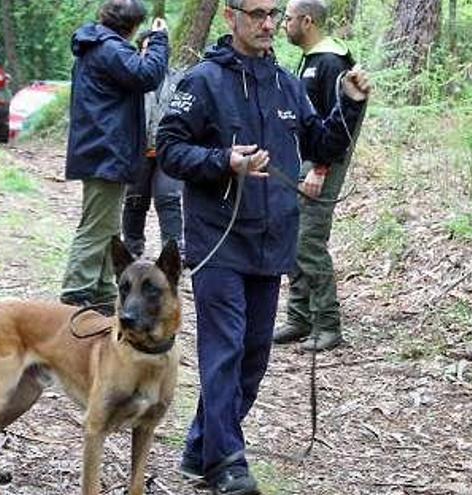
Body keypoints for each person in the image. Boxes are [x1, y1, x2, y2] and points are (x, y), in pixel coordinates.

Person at [157, 0, 369, 492]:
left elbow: (323, 145)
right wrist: (223, 160)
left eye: (273, 13)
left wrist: (350, 104)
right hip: (218, 240)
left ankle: (199, 449)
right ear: (231, 17)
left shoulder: (287, 83)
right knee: (225, 350)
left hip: (273, 242)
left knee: (253, 357)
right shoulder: (203, 80)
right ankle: (227, 462)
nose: (268, 23)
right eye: (255, 13)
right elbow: (168, 149)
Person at [60, 0, 169, 315]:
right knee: (97, 225)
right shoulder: (108, 49)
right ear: (132, 25)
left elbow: (132, 72)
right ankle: (76, 292)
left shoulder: (100, 47)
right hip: (104, 150)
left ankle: (102, 290)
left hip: (102, 148)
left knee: (107, 226)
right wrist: (159, 41)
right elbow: (148, 75)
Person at [273, 0, 362, 352]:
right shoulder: (311, 59)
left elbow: (339, 121)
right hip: (302, 162)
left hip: (320, 166)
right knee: (292, 237)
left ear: (307, 21)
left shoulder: (330, 61)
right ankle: (299, 317)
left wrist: (321, 168)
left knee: (308, 242)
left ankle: (328, 324)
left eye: (289, 19)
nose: (283, 25)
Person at [121, 30, 184, 259]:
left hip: (169, 151)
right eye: (146, 47)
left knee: (169, 198)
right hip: (138, 149)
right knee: (135, 199)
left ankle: (175, 251)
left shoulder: (180, 79)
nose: (150, 52)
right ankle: (131, 249)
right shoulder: (132, 78)